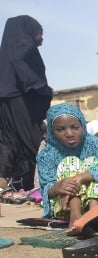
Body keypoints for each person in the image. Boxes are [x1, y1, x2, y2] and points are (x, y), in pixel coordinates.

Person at [37, 103, 98, 231]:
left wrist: (81, 177)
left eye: (75, 127)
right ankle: (75, 215)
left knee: (93, 162)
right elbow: (45, 186)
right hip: (65, 206)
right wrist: (56, 187)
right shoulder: (47, 154)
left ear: (82, 125)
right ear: (52, 132)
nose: (69, 133)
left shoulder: (93, 143)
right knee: (70, 162)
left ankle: (94, 214)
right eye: (60, 129)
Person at [0, 15, 52, 192]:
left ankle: (8, 183)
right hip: (22, 103)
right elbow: (29, 77)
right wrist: (43, 89)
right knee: (31, 142)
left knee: (8, 141)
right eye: (39, 33)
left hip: (6, 100)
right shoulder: (25, 49)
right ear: (28, 32)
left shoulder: (5, 55)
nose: (42, 39)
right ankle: (30, 185)